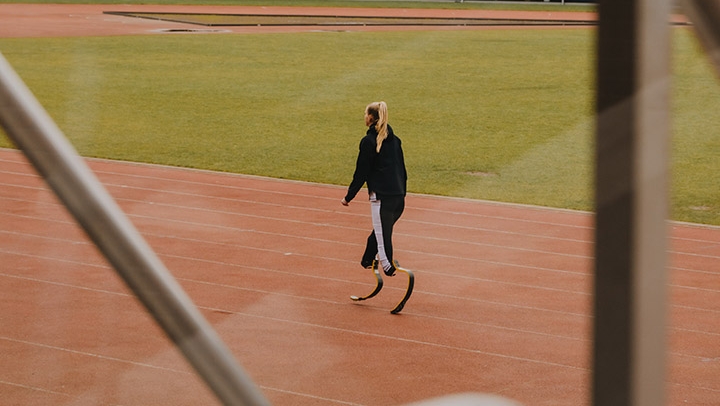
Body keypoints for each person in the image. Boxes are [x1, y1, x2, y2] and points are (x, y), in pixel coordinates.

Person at [341, 101, 407, 277]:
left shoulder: (368, 142)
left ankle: (387, 266)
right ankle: (368, 258)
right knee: (380, 231)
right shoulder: (396, 141)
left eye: (365, 114)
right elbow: (402, 170)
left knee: (383, 236)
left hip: (382, 198)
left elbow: (361, 172)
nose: (364, 117)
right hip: (399, 198)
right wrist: (402, 192)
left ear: (370, 118)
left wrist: (348, 196)